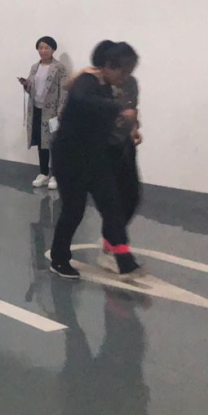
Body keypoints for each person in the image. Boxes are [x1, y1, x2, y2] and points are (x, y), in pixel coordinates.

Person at [49, 41, 142, 280]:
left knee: (111, 205)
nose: (125, 77)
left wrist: (130, 125)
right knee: (74, 209)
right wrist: (118, 109)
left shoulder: (110, 87)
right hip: (69, 156)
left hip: (95, 156)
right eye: (122, 71)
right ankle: (59, 258)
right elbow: (80, 99)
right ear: (108, 66)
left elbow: (114, 118)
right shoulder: (88, 81)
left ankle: (124, 261)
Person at [19, 36, 68, 190]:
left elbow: (64, 90)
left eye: (47, 47)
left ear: (53, 50)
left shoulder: (59, 68)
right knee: (41, 142)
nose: (43, 51)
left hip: (52, 111)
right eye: (40, 47)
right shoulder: (35, 67)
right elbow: (32, 88)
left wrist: (61, 110)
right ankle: (43, 172)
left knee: (54, 143)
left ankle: (56, 175)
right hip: (36, 109)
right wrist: (26, 85)